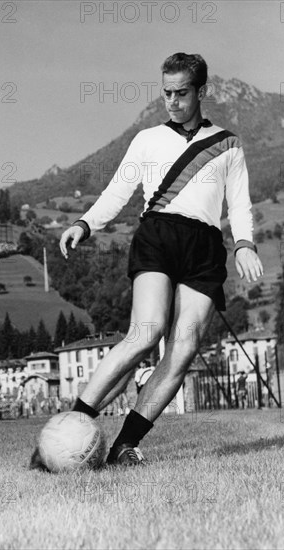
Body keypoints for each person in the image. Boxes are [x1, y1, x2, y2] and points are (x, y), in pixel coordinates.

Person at [30, 52, 263, 469]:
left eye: (181, 93)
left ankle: (125, 445)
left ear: (201, 92)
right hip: (158, 234)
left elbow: (239, 203)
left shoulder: (228, 143)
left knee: (185, 346)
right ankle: (66, 432)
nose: (172, 101)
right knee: (146, 333)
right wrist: (84, 224)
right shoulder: (148, 139)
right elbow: (118, 192)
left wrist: (244, 243)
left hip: (205, 245)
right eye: (166, 93)